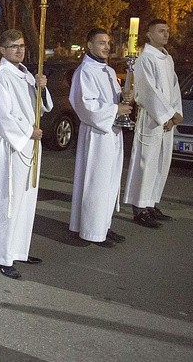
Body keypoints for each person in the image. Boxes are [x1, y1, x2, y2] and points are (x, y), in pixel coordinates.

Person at [0, 29, 53, 280]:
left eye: (21, 45)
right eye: (13, 46)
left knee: (26, 199)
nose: (19, 50)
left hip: (31, 144)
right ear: (2, 50)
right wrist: (26, 132)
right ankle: (1, 255)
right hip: (14, 145)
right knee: (8, 200)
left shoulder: (26, 76)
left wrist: (41, 87)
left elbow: (42, 106)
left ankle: (18, 248)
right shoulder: (0, 78)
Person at [69, 27, 133, 247]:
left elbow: (111, 99)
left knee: (109, 181)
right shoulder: (85, 71)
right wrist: (116, 110)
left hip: (111, 132)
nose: (106, 47)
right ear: (89, 45)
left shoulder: (106, 70)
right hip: (97, 133)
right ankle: (92, 231)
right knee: (96, 182)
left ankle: (103, 225)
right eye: (101, 43)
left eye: (108, 43)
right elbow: (85, 105)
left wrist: (123, 97)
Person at [124, 19, 183, 228]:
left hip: (166, 121)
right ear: (149, 34)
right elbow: (148, 91)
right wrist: (166, 115)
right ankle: (139, 207)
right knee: (146, 162)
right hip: (151, 119)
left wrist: (176, 113)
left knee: (161, 162)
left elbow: (174, 87)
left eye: (167, 31)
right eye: (161, 31)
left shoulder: (167, 58)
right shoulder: (145, 58)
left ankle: (151, 203)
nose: (166, 34)